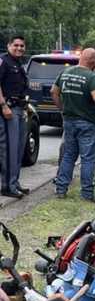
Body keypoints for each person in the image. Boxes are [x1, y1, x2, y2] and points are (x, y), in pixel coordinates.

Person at [51, 48, 95, 202]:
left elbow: (54, 92)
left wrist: (62, 109)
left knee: (68, 156)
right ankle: (87, 194)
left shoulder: (65, 73)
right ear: (93, 62)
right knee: (88, 159)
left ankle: (61, 189)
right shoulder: (92, 78)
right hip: (87, 123)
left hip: (69, 121)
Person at [0, 36, 29, 198]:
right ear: (9, 45)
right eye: (16, 45)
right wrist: (3, 106)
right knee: (10, 149)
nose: (19, 48)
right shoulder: (3, 61)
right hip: (8, 110)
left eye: (22, 46)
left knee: (18, 149)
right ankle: (7, 187)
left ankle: (15, 182)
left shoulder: (18, 63)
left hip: (19, 108)